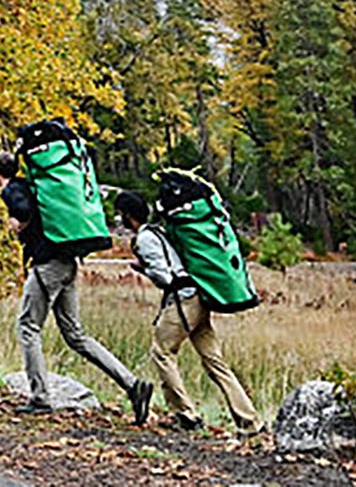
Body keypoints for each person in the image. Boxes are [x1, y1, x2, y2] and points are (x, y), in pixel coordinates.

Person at [0, 148, 155, 424]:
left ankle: (40, 398)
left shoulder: (13, 189)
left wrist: (18, 222)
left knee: (28, 327)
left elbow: (22, 210)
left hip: (48, 264)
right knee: (76, 336)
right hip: (67, 261)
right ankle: (132, 384)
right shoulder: (35, 185)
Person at [112, 185, 261, 432]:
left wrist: (143, 269)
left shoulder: (145, 239)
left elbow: (164, 276)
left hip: (182, 301)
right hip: (199, 298)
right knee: (214, 361)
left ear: (129, 215)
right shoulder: (159, 232)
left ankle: (185, 414)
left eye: (121, 214)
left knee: (161, 352)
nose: (120, 219)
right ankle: (250, 420)